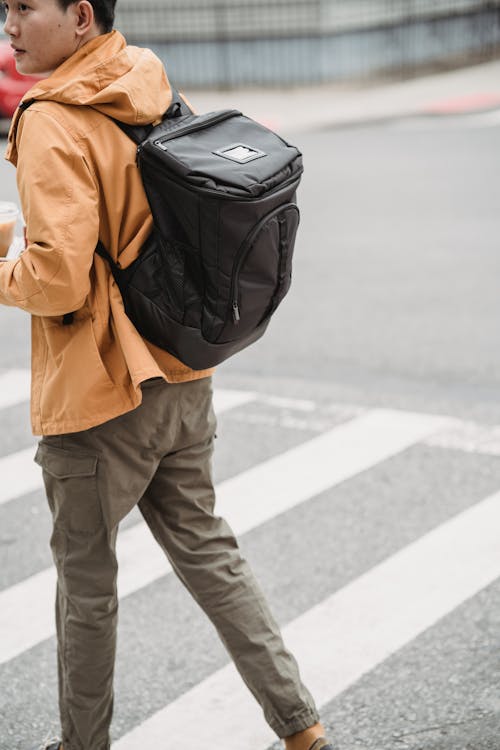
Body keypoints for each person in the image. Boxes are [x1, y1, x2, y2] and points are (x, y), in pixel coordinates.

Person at [1, 2, 335, 749]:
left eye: (25, 8)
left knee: (86, 591)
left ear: (81, 15)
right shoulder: (143, 77)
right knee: (212, 554)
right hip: (183, 367)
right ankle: (302, 728)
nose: (10, 25)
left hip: (101, 392)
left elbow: (57, 281)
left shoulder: (51, 116)